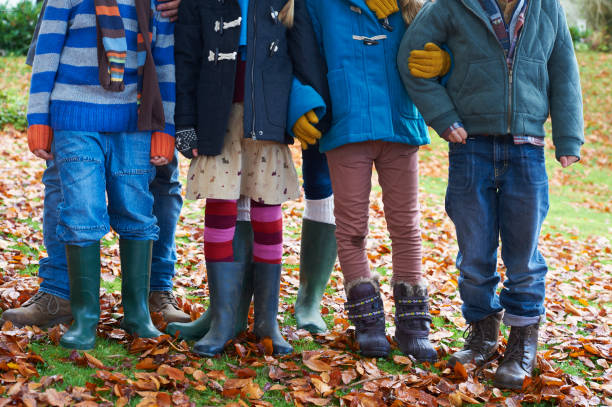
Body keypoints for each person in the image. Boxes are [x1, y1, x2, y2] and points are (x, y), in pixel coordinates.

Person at [398, 0, 583, 387]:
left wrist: (568, 136)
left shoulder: (547, 7)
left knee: (524, 256)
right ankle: (483, 333)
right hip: (470, 147)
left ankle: (521, 342)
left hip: (526, 148)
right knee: (475, 253)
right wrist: (443, 117)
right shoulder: (450, 6)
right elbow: (411, 58)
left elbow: (563, 70)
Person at [0, 0, 189, 330]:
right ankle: (65, 297)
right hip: (75, 112)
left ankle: (148, 299)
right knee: (78, 202)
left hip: (135, 113)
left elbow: (163, 63)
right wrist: (38, 117)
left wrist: (164, 126)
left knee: (140, 203)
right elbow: (48, 52)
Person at [166, 0, 329, 356]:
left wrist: (314, 108)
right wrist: (185, 122)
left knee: (266, 209)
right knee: (221, 208)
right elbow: (187, 58)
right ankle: (224, 320)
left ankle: (267, 321)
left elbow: (304, 57)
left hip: (267, 119)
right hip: (217, 119)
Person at [302, 0, 438, 361]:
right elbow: (302, 58)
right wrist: (300, 105)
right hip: (347, 124)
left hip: (399, 123)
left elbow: (442, 48)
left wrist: (445, 62)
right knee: (351, 229)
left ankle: (413, 326)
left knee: (407, 226)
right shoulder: (317, 6)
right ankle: (369, 324)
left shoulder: (408, 5)